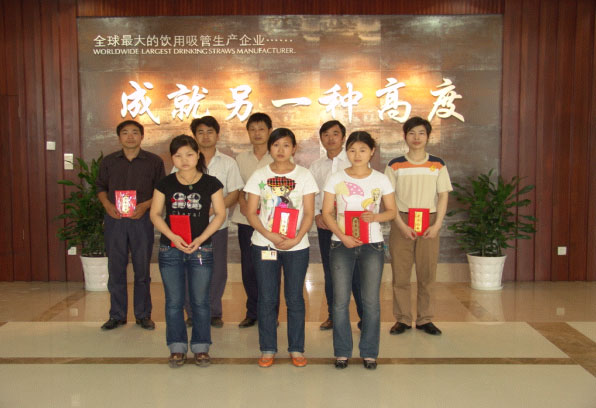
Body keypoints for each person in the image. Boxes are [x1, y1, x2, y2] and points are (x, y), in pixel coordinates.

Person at [244, 128, 318, 368]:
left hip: (297, 246)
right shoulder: (259, 175)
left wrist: (296, 238)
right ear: (270, 148)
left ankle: (296, 348)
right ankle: (267, 348)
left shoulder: (304, 175)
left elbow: (309, 213)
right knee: (267, 298)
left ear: (294, 148)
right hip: (265, 244)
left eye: (286, 145)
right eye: (276, 145)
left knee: (294, 298)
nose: (281, 150)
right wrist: (269, 235)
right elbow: (251, 212)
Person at [322, 131, 396, 370]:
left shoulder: (381, 179)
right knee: (340, 301)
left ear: (372, 152)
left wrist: (375, 217)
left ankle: (369, 352)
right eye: (352, 150)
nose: (357, 155)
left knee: (371, 301)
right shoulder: (335, 178)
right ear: (347, 152)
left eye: (363, 150)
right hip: (340, 244)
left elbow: (392, 212)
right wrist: (342, 236)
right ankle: (342, 352)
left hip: (372, 245)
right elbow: (327, 212)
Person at [150, 135, 225, 368]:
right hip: (170, 248)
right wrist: (173, 236)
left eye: (189, 154)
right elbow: (155, 214)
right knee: (174, 301)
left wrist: (201, 238)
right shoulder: (165, 183)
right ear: (172, 158)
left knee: (200, 300)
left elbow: (220, 214)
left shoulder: (211, 183)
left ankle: (201, 347)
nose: (184, 160)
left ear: (198, 155)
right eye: (178, 155)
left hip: (201, 248)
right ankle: (177, 348)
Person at [384, 116, 452, 336]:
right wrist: (400, 225)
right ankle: (402, 319)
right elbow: (388, 198)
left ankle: (425, 319)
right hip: (401, 221)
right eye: (412, 133)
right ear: (405, 136)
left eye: (421, 133)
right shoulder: (395, 164)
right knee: (401, 274)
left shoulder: (438, 164)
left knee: (427, 273)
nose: (416, 137)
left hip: (429, 221)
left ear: (428, 137)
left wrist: (437, 224)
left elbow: (443, 196)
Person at [97, 120, 165, 331]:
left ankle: (143, 315)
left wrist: (145, 206)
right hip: (115, 220)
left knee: (142, 269)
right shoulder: (109, 161)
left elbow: (161, 190)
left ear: (142, 136)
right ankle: (116, 315)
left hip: (141, 220)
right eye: (125, 133)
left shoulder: (154, 161)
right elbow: (100, 187)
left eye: (135, 132)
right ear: (119, 137)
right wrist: (107, 205)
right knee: (116, 269)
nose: (130, 136)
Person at [188, 116, 243, 328]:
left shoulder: (228, 162)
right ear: (195, 136)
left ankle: (213, 312)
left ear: (217, 135)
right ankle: (192, 312)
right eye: (200, 132)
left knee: (217, 270)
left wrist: (213, 210)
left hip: (218, 226)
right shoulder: (186, 159)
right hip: (190, 227)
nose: (205, 136)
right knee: (191, 269)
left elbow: (234, 193)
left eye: (210, 131)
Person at [309, 120, 363, 330]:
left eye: (335, 134)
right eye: (326, 134)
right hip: (326, 224)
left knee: (357, 271)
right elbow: (311, 194)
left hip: (352, 223)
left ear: (343, 137)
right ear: (321, 139)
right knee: (331, 271)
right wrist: (317, 214)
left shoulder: (353, 161)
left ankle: (364, 317)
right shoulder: (316, 166)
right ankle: (333, 316)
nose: (330, 138)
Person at [230, 112, 281, 328]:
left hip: (272, 223)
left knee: (271, 268)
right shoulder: (241, 159)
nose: (257, 133)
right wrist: (243, 204)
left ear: (269, 131)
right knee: (249, 268)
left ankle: (271, 314)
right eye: (252, 129)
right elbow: (238, 188)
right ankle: (252, 311)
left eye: (261, 129)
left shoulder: (278, 155)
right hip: (246, 221)